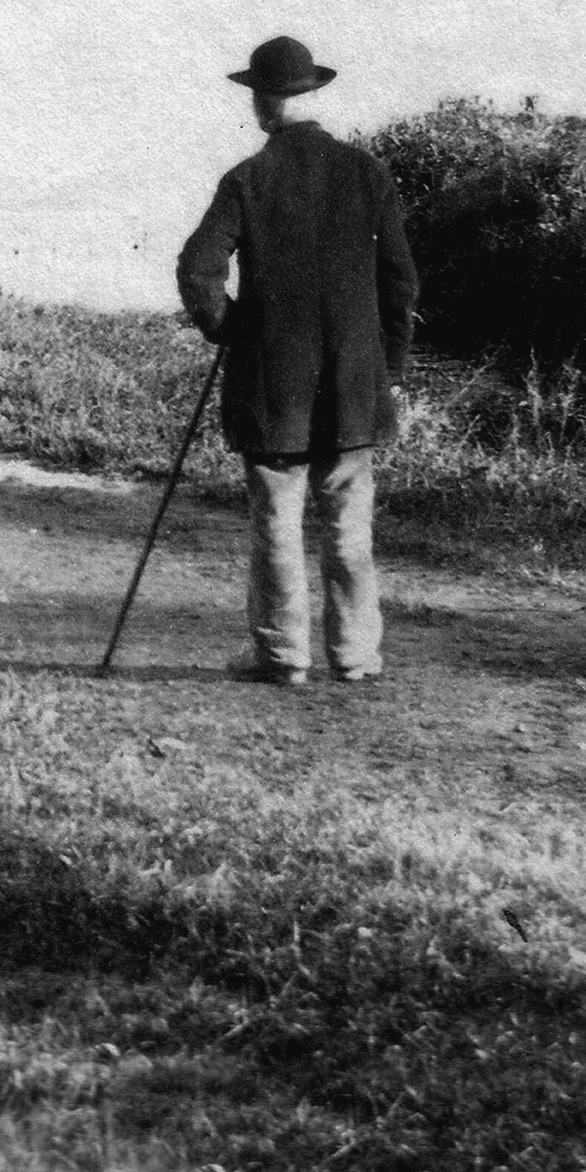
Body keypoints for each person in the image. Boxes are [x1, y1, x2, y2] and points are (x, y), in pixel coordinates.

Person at [177, 36, 417, 687]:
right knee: (348, 528)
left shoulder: (247, 180)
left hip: (272, 388)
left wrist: (231, 328)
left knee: (278, 526)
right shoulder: (368, 173)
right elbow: (401, 283)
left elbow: (198, 272)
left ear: (260, 102)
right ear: (311, 93)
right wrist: (386, 369)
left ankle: (282, 658)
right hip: (351, 387)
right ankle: (356, 657)